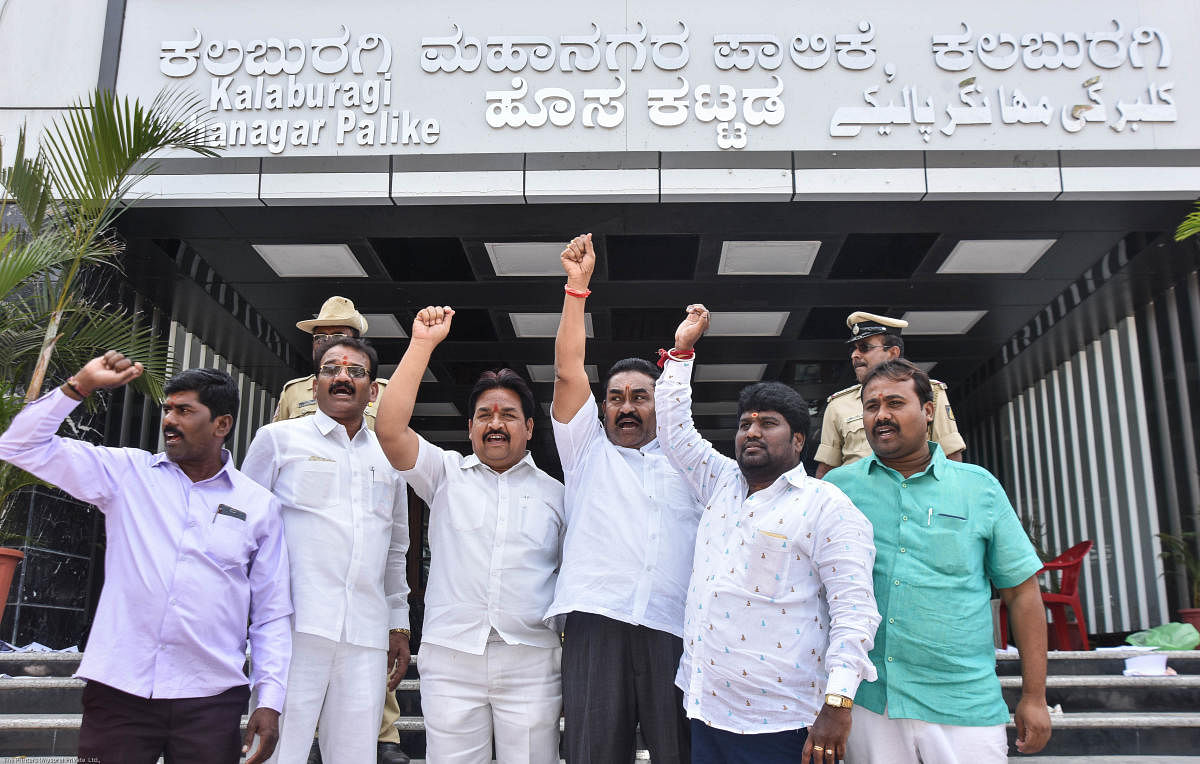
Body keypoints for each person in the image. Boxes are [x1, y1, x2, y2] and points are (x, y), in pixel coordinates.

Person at [0, 352, 291, 764]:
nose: (169, 420)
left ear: (221, 425)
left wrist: (270, 699)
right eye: (167, 409)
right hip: (120, 690)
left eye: (185, 410)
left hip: (209, 698)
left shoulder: (258, 505)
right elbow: (18, 445)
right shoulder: (125, 474)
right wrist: (79, 384)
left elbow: (272, 613)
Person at [654, 305, 881, 764]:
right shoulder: (719, 483)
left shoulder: (826, 506)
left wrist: (838, 705)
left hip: (786, 721)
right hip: (706, 709)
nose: (751, 432)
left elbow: (854, 612)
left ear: (799, 441)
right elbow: (675, 432)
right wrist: (681, 352)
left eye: (768, 423)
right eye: (744, 424)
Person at [823, 359, 1051, 763]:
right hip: (871, 701)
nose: (881, 415)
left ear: (928, 411)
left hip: (962, 701)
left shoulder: (977, 487)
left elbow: (1022, 593)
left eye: (895, 402)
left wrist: (1034, 697)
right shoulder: (837, 490)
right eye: (871, 406)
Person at [375, 306, 565, 763]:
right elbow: (388, 429)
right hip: (452, 656)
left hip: (532, 659)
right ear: (470, 427)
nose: (495, 424)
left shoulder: (558, 495)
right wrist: (421, 344)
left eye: (508, 415)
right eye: (484, 414)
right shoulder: (444, 474)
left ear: (529, 427)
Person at [546, 233, 699, 763]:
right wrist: (577, 289)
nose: (627, 408)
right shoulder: (585, 448)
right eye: (616, 398)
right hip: (596, 621)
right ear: (602, 408)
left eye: (641, 397)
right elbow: (569, 370)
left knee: (678, 752)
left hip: (673, 627)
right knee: (592, 753)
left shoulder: (692, 463)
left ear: (662, 404)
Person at [242, 338, 411, 764]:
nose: (342, 377)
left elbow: (395, 549)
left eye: (356, 372)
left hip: (365, 634)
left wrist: (399, 625)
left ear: (373, 391)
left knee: (355, 755)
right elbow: (241, 533)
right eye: (331, 369)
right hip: (293, 628)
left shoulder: (390, 457)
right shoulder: (277, 440)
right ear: (314, 384)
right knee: (277, 751)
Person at [814, 312, 964, 478]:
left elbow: (951, 456)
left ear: (893, 353)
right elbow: (826, 470)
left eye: (864, 347)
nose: (855, 355)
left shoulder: (931, 392)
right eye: (853, 349)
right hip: (857, 500)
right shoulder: (838, 405)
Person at [275, 295, 389, 431]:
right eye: (320, 337)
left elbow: (394, 444)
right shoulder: (293, 391)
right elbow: (276, 443)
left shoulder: (384, 393)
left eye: (338, 336)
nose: (328, 343)